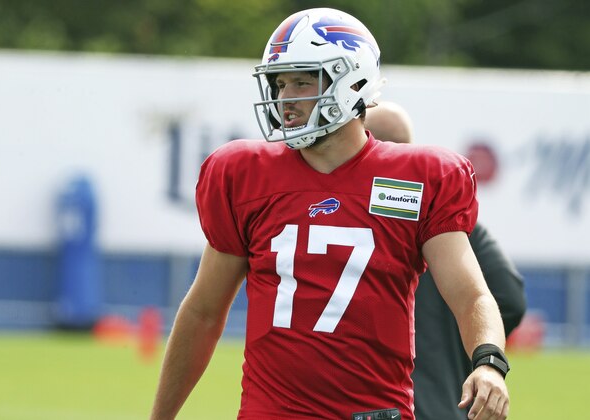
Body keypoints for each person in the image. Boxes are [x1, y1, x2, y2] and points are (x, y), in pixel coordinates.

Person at [150, 8, 511, 420]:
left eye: (303, 81)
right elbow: (203, 311)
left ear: (353, 82)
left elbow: (471, 295)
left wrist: (489, 362)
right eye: (280, 83)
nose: (286, 98)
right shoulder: (244, 174)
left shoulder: (419, 178)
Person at [366, 102, 526, 420]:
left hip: (373, 402)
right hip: (448, 399)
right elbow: (509, 298)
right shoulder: (444, 213)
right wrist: (468, 336)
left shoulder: (342, 212)